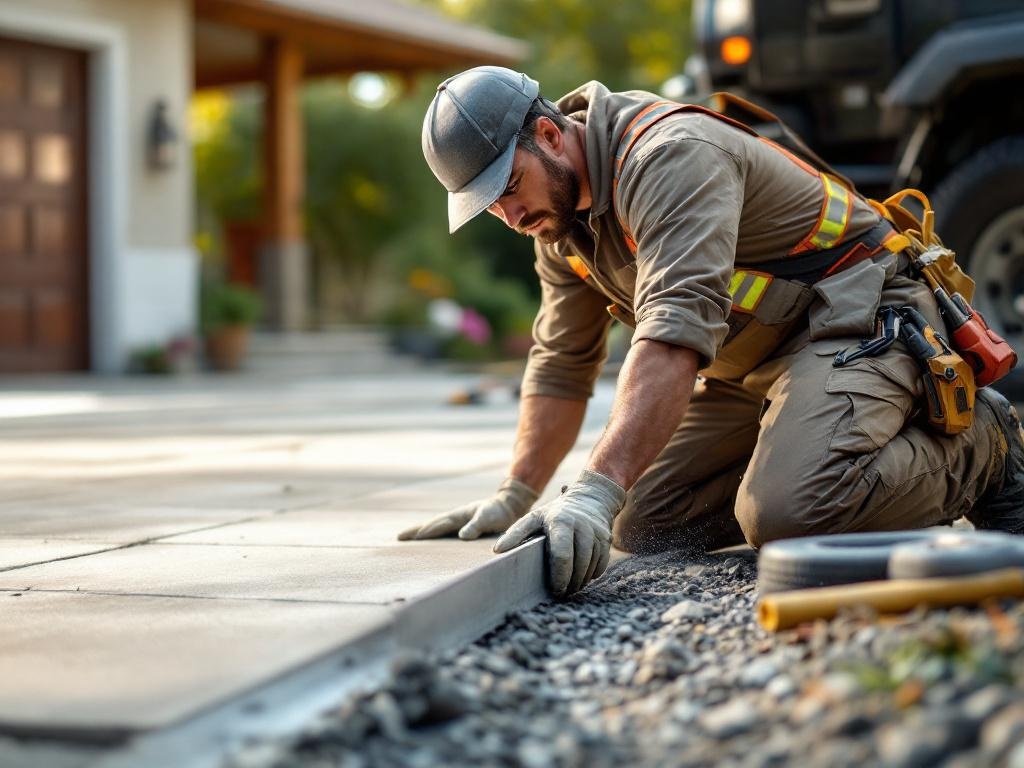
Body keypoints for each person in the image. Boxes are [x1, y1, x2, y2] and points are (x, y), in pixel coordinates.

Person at [399, 66, 1024, 597]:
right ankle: (817, 451)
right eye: (490, 206)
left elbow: (672, 335)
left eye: (509, 187)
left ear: (549, 134)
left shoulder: (667, 157)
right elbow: (562, 360)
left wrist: (591, 489)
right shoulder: (556, 224)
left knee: (791, 514)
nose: (510, 216)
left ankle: (985, 450)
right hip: (757, 358)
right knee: (645, 523)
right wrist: (518, 492)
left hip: (859, 317)